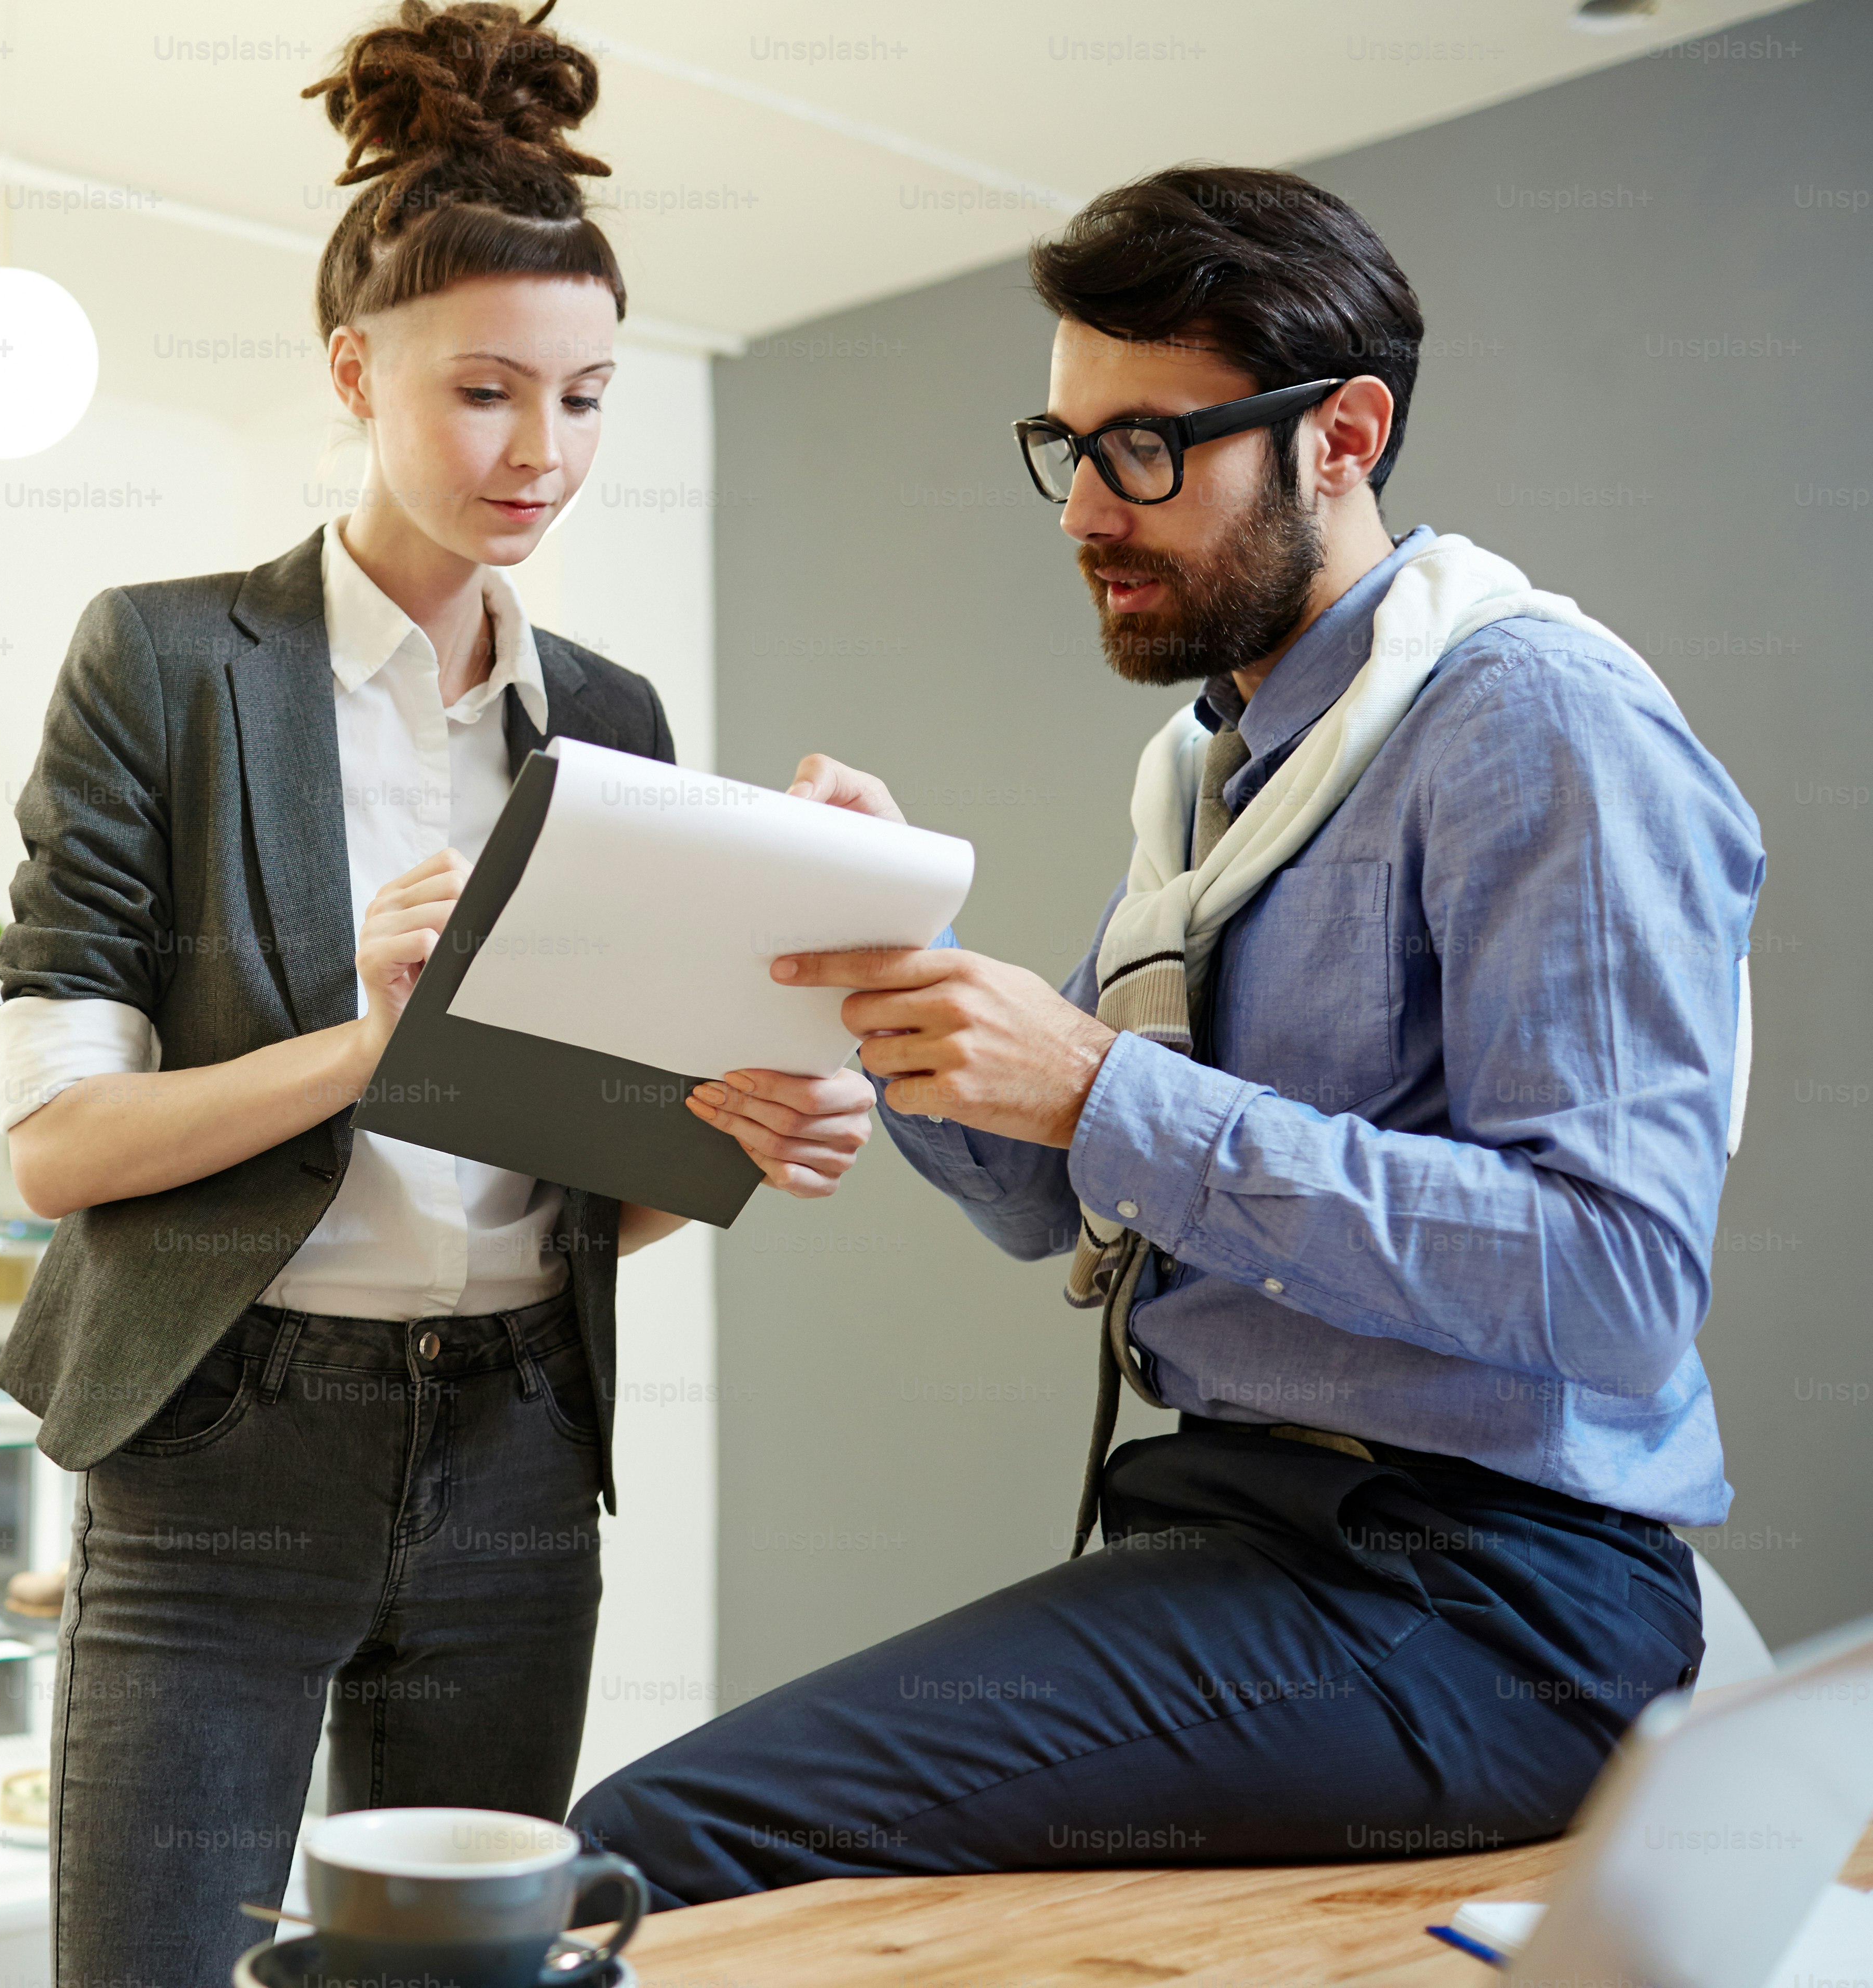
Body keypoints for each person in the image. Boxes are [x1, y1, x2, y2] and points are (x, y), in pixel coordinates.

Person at [568, 164, 1764, 1900]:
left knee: (658, 1838)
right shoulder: (1224, 778)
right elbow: (1052, 1193)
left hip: (1484, 1595)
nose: (1083, 513)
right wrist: (877, 953)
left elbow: (1619, 1284)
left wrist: (1102, 1088)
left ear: (1342, 436)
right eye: (1070, 449)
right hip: (1254, 1537)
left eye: (1148, 449)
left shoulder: (1535, 728)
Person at [0, 6, 874, 1980]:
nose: (538, 454)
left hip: (515, 1462)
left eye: (583, 399)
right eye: (485, 392)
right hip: (221, 1444)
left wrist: (748, 1125)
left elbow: (601, 1192)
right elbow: (59, 1147)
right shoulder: (165, 665)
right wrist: (374, 1049)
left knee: (464, 1982)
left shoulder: (615, 723)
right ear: (353, 370)